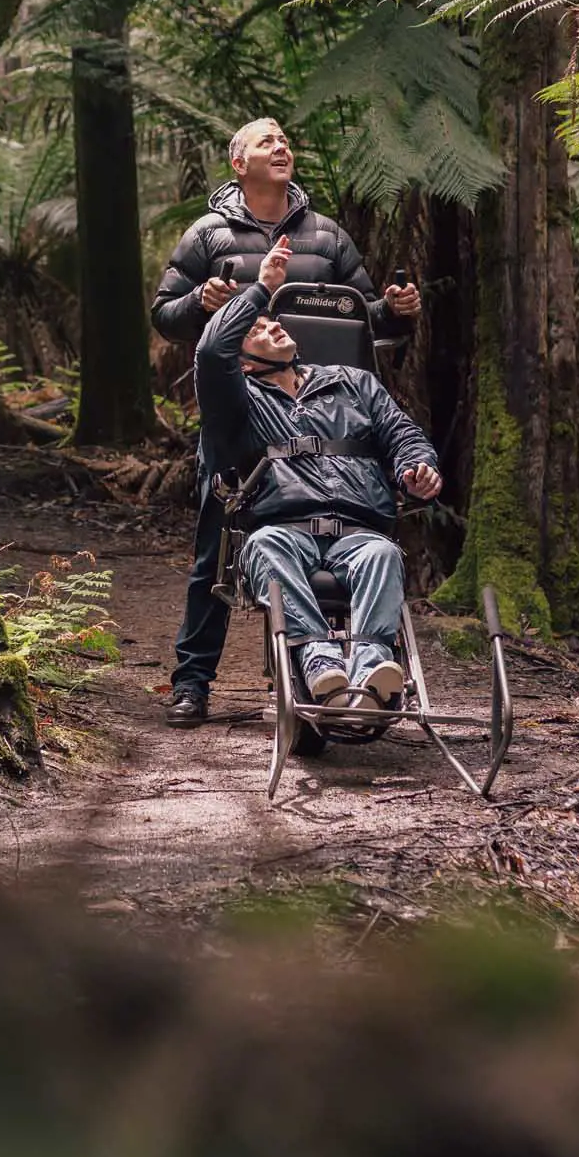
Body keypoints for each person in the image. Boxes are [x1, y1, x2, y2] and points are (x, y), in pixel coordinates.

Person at [150, 118, 421, 727]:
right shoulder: (208, 235)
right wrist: (200, 303)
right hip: (246, 414)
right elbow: (164, 315)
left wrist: (398, 313)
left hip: (326, 407)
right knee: (215, 550)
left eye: (285, 140)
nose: (282, 146)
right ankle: (193, 682)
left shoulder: (325, 237)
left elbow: (364, 316)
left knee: (329, 536)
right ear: (238, 163)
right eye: (265, 141)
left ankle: (314, 669)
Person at [197, 233, 443, 713]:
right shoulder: (239, 403)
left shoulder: (355, 383)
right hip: (281, 529)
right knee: (266, 546)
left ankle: (375, 670)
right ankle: (318, 661)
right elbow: (210, 354)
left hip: (359, 530)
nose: (271, 328)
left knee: (382, 555)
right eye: (257, 330)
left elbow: (403, 434)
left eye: (272, 322)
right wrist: (261, 288)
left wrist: (420, 468)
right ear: (243, 363)